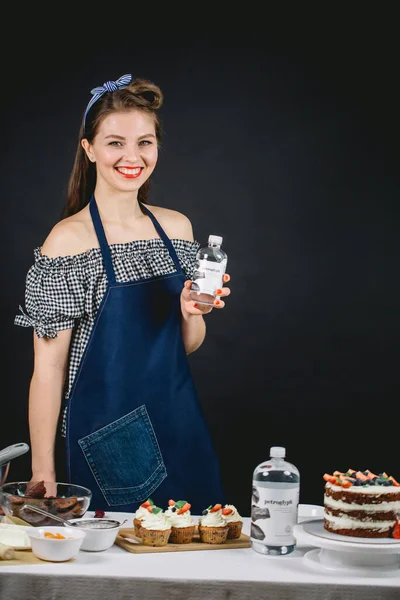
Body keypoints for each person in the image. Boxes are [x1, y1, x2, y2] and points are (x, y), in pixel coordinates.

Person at [15, 73, 231, 513]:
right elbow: (49, 370)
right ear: (89, 149)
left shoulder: (176, 228)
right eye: (115, 143)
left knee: (202, 556)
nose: (132, 157)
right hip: (108, 439)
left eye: (145, 143)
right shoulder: (67, 242)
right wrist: (43, 470)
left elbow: (184, 347)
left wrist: (192, 312)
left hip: (180, 425)